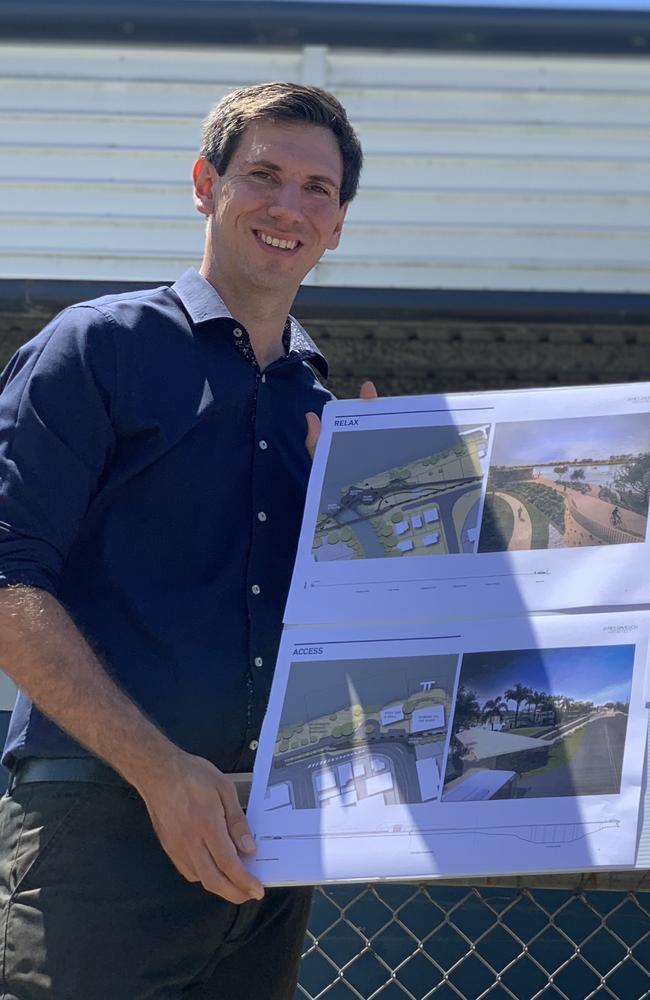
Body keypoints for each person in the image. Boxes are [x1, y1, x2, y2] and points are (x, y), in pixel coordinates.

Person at [0, 82, 376, 1000]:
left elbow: (365, 636)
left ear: (337, 225)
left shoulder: (331, 419)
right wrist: (161, 772)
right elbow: (10, 580)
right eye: (264, 176)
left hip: (266, 842)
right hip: (99, 821)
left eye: (317, 190)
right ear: (206, 184)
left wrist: (377, 534)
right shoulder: (96, 348)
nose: (289, 206)